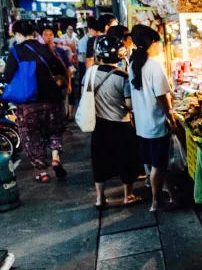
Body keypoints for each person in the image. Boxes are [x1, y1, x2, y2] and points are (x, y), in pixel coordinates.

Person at [4, 21, 69, 183]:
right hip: (52, 100)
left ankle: (42, 172)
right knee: (54, 130)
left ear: (18, 34)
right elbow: (60, 69)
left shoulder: (16, 51)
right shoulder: (45, 48)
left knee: (32, 136)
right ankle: (55, 157)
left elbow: (7, 76)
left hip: (28, 103)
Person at [85, 36, 141, 208]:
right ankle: (128, 195)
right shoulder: (123, 77)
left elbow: (86, 98)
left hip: (99, 125)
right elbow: (130, 105)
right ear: (120, 56)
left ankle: (100, 198)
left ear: (99, 56)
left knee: (100, 161)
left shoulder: (90, 73)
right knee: (127, 160)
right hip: (121, 125)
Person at [128, 25, 178, 212]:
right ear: (152, 43)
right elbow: (162, 96)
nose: (160, 47)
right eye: (158, 43)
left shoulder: (134, 64)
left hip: (142, 124)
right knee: (158, 165)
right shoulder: (154, 66)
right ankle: (155, 202)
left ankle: (172, 196)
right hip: (156, 125)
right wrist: (170, 116)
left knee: (159, 164)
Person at [42, 27, 73, 121]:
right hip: (45, 83)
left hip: (61, 82)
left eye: (50, 35)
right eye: (46, 35)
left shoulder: (60, 51)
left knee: (61, 104)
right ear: (42, 36)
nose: (48, 37)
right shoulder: (39, 51)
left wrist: (69, 84)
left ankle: (61, 123)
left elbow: (68, 68)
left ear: (53, 36)